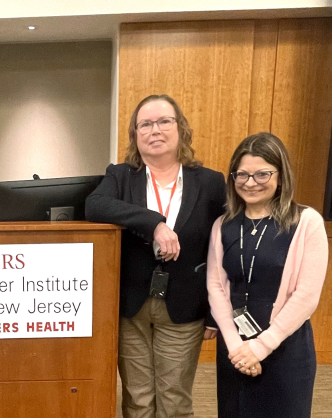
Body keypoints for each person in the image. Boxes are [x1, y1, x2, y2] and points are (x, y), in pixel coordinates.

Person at [86, 94, 226, 418]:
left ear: (181, 129)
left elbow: (222, 250)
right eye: (145, 124)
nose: (155, 130)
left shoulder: (210, 183)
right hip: (130, 308)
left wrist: (216, 313)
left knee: (174, 401)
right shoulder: (121, 176)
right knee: (138, 401)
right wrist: (155, 224)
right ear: (136, 134)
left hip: (185, 306)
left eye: (164, 121)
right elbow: (95, 206)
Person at [207, 132, 327, 418]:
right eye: (242, 175)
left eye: (262, 174)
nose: (250, 183)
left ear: (281, 176)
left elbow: (306, 296)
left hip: (285, 349)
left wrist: (260, 347)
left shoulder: (306, 222)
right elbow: (216, 286)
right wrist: (238, 349)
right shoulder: (223, 225)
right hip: (235, 351)